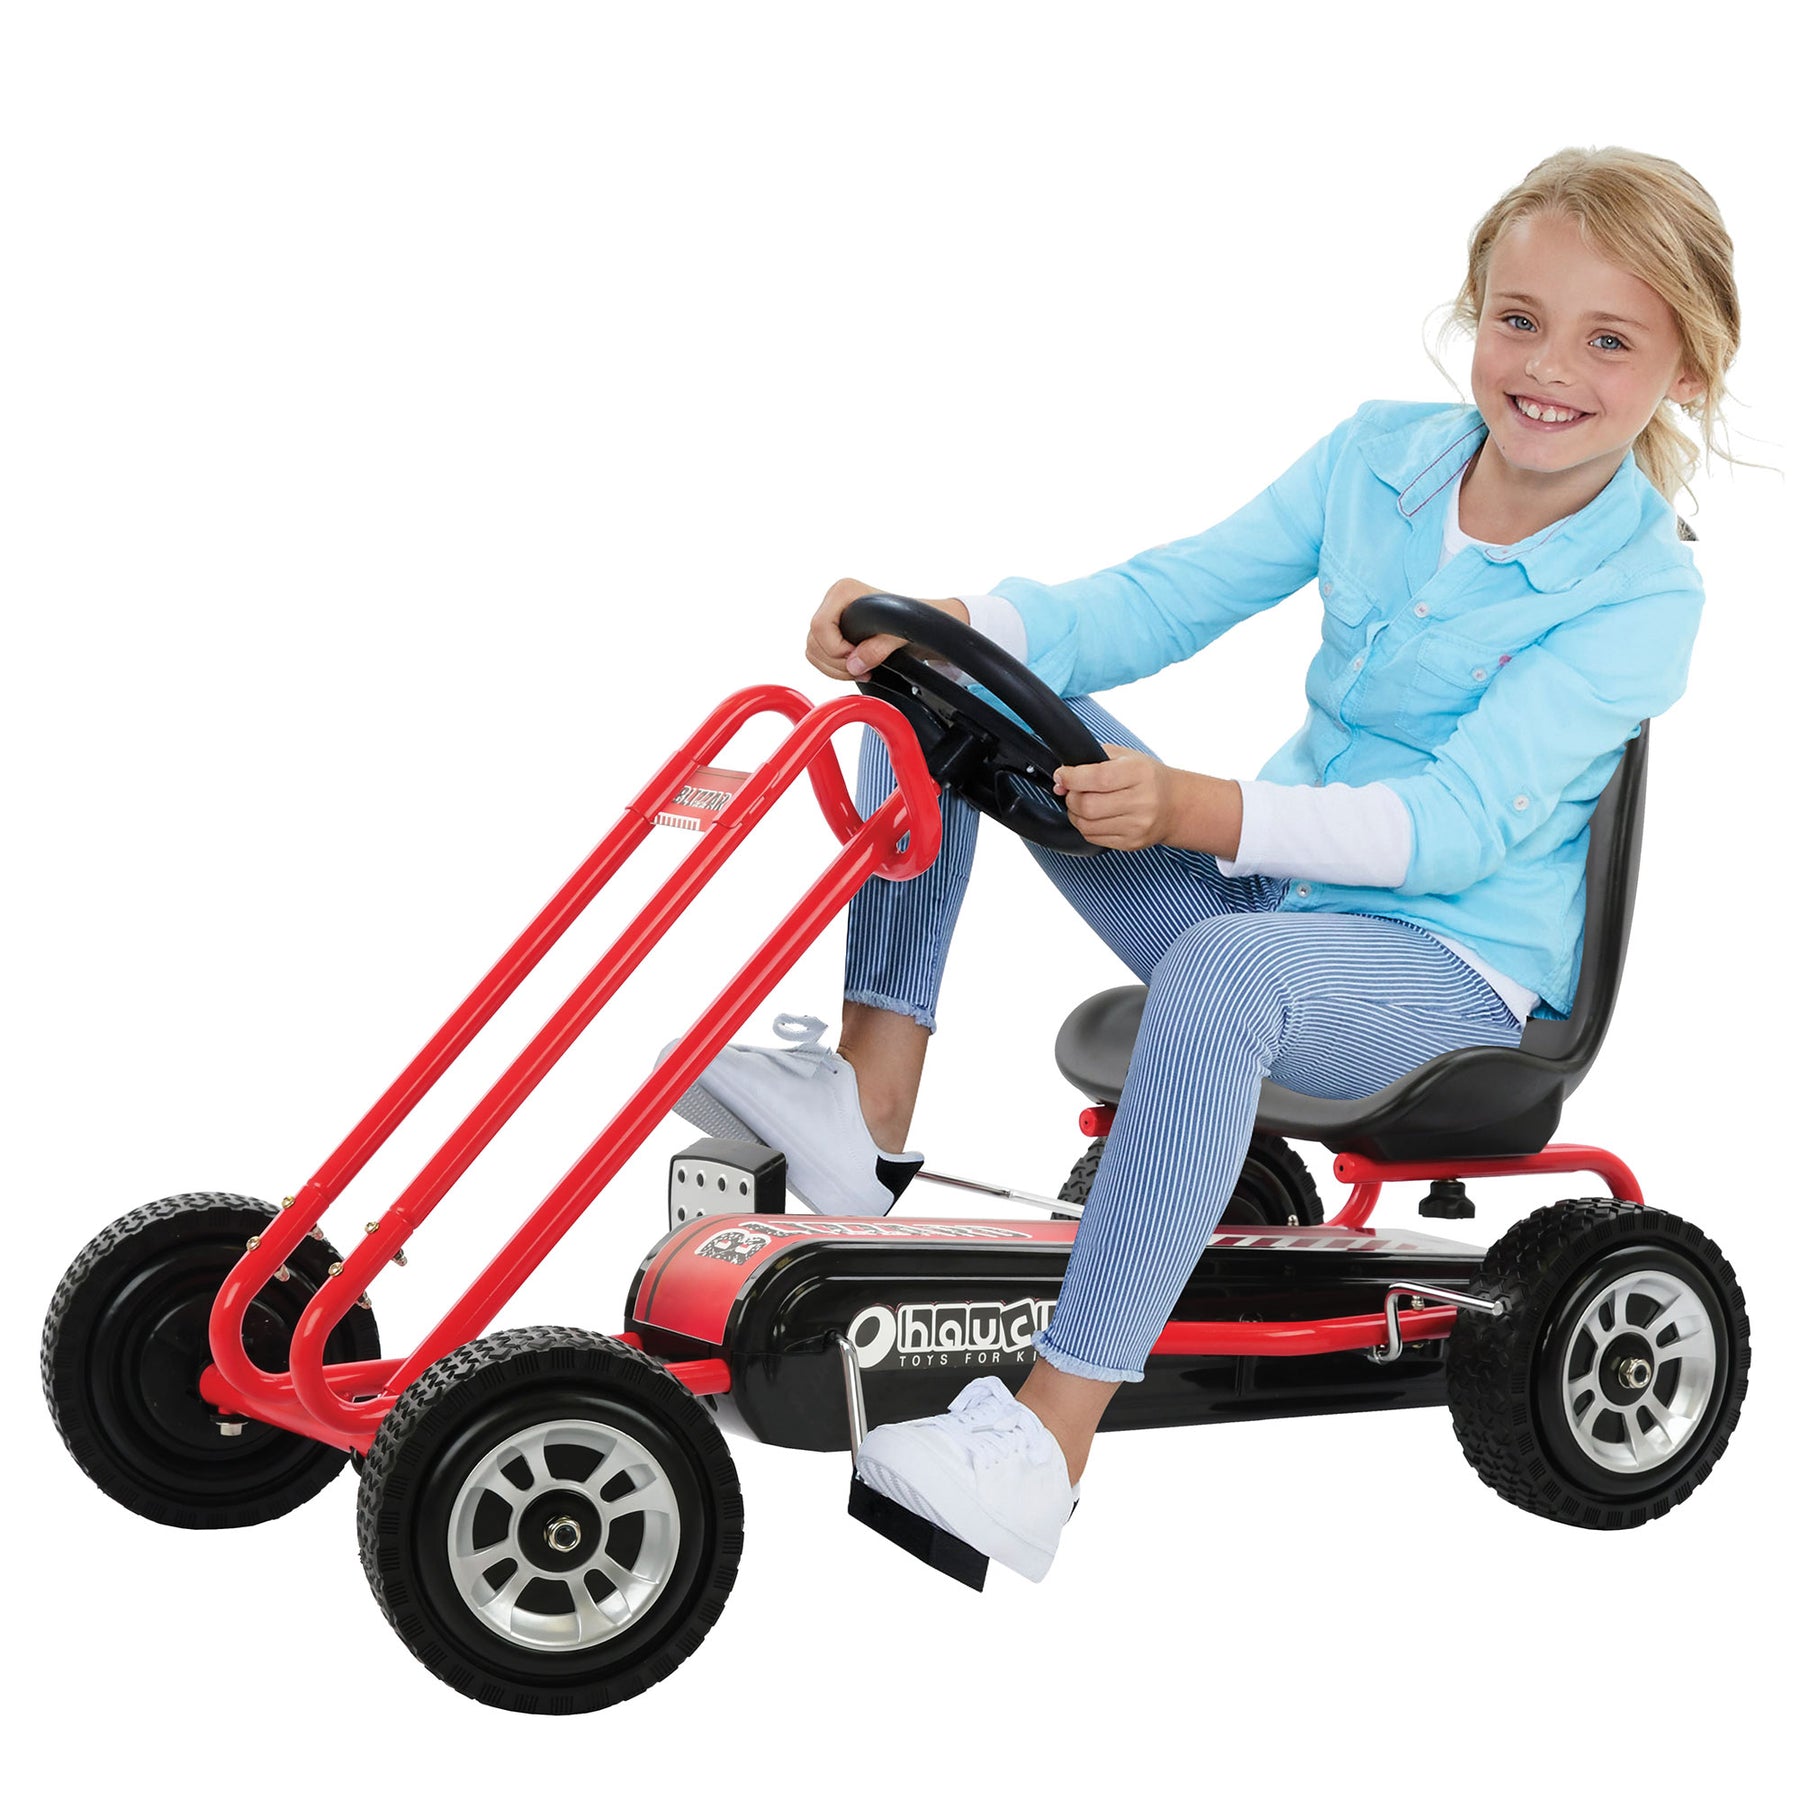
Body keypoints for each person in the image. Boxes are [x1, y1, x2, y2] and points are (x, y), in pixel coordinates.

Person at [669, 146, 1743, 1583]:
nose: (1548, 369)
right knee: (943, 693)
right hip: (1275, 900)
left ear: (1686, 370)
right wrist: (951, 617)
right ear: (1475, 313)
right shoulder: (1381, 458)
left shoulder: (1643, 595)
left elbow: (1454, 828)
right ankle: (867, 1109)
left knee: (1229, 967)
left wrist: (1196, 810)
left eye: (1609, 341)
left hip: (1447, 975)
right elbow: (1174, 593)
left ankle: (1044, 1447)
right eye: (1520, 320)